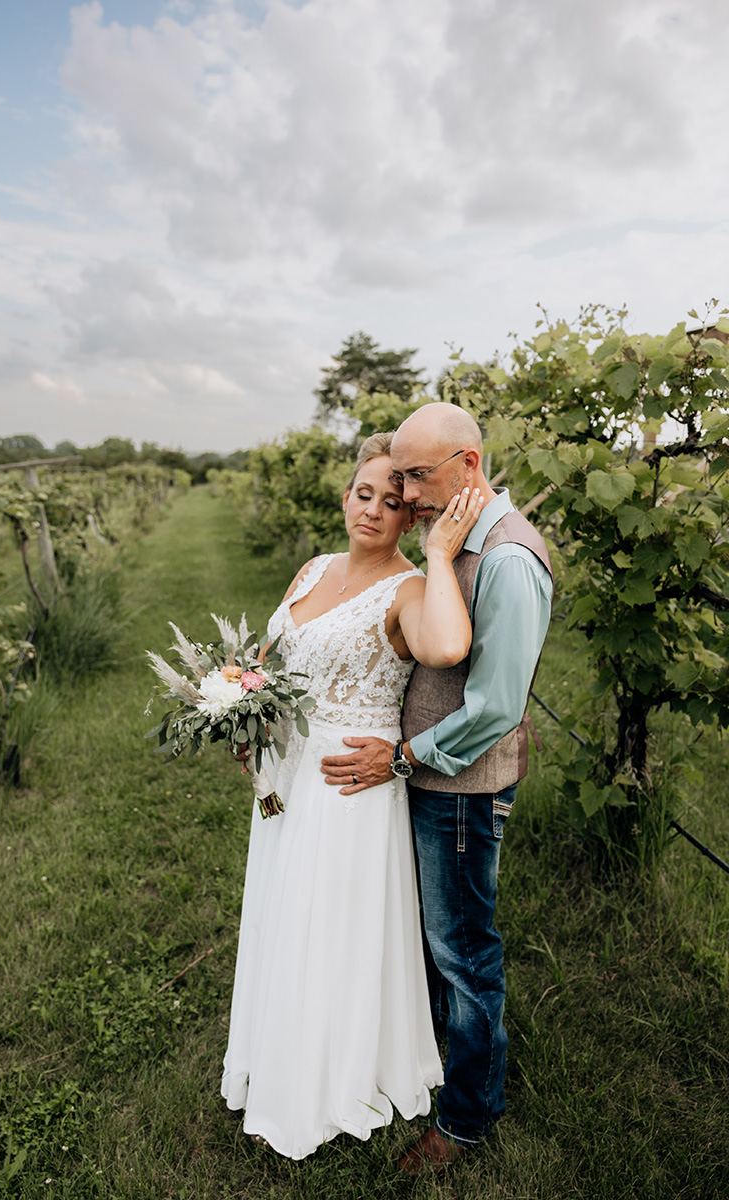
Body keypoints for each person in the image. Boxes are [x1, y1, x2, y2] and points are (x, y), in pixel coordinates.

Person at [221, 431, 484, 1160]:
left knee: (330, 925)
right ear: (346, 498)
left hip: (348, 785)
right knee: (284, 914)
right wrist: (243, 710)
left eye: (393, 501)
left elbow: (446, 649)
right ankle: (277, 1052)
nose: (373, 509)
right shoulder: (310, 570)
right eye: (364, 494)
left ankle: (328, 1078)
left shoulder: (406, 589)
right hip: (285, 776)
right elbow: (269, 662)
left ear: (410, 517)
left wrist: (436, 559)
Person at [320, 403, 554, 1172]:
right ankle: (421, 1071)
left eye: (418, 476)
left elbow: (494, 708)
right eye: (399, 477)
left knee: (463, 954)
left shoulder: (510, 561)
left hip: (460, 790)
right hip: (427, 778)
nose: (409, 492)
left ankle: (467, 1118)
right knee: (429, 943)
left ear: (470, 465)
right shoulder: (456, 541)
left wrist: (399, 757)